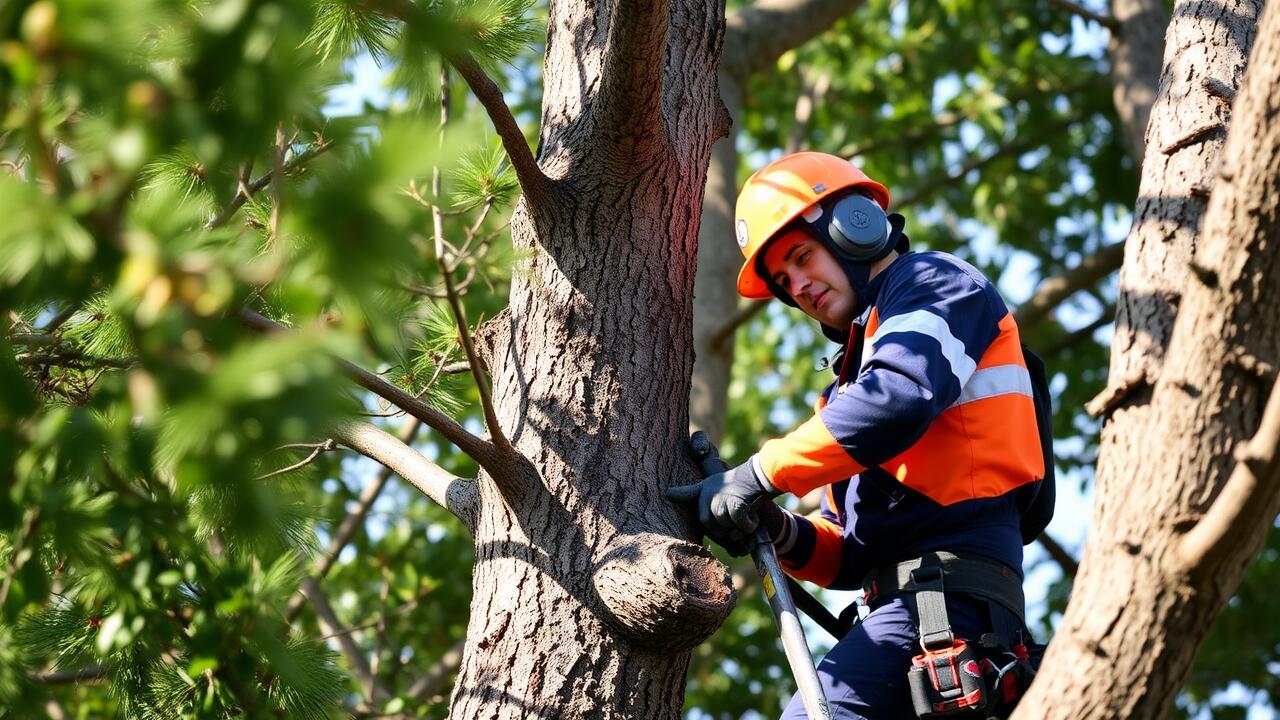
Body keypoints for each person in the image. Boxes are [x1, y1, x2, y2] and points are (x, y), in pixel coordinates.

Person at [668, 151, 1051, 720]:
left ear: (854, 226)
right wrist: (772, 525)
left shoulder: (934, 284)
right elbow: (849, 556)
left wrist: (758, 474)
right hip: (909, 613)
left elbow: (898, 400)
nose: (797, 285)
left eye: (802, 257)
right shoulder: (848, 390)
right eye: (782, 280)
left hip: (949, 600)